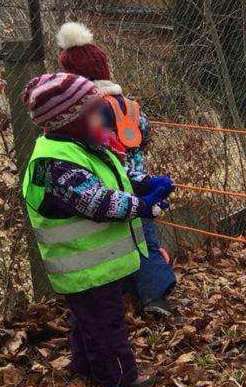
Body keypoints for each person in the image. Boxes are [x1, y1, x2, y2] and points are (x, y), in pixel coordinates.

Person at [20, 72, 174, 387]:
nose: (100, 116)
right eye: (92, 110)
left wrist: (143, 183)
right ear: (67, 119)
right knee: (107, 324)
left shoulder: (83, 145)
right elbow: (97, 200)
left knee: (87, 322)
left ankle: (86, 368)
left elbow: (112, 177)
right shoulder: (53, 164)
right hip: (83, 267)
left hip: (96, 266)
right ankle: (120, 378)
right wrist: (143, 206)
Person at [56, 21, 177, 318]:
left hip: (105, 186)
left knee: (116, 244)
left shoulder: (86, 112)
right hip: (139, 184)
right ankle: (154, 295)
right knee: (144, 239)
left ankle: (139, 297)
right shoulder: (130, 106)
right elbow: (145, 135)